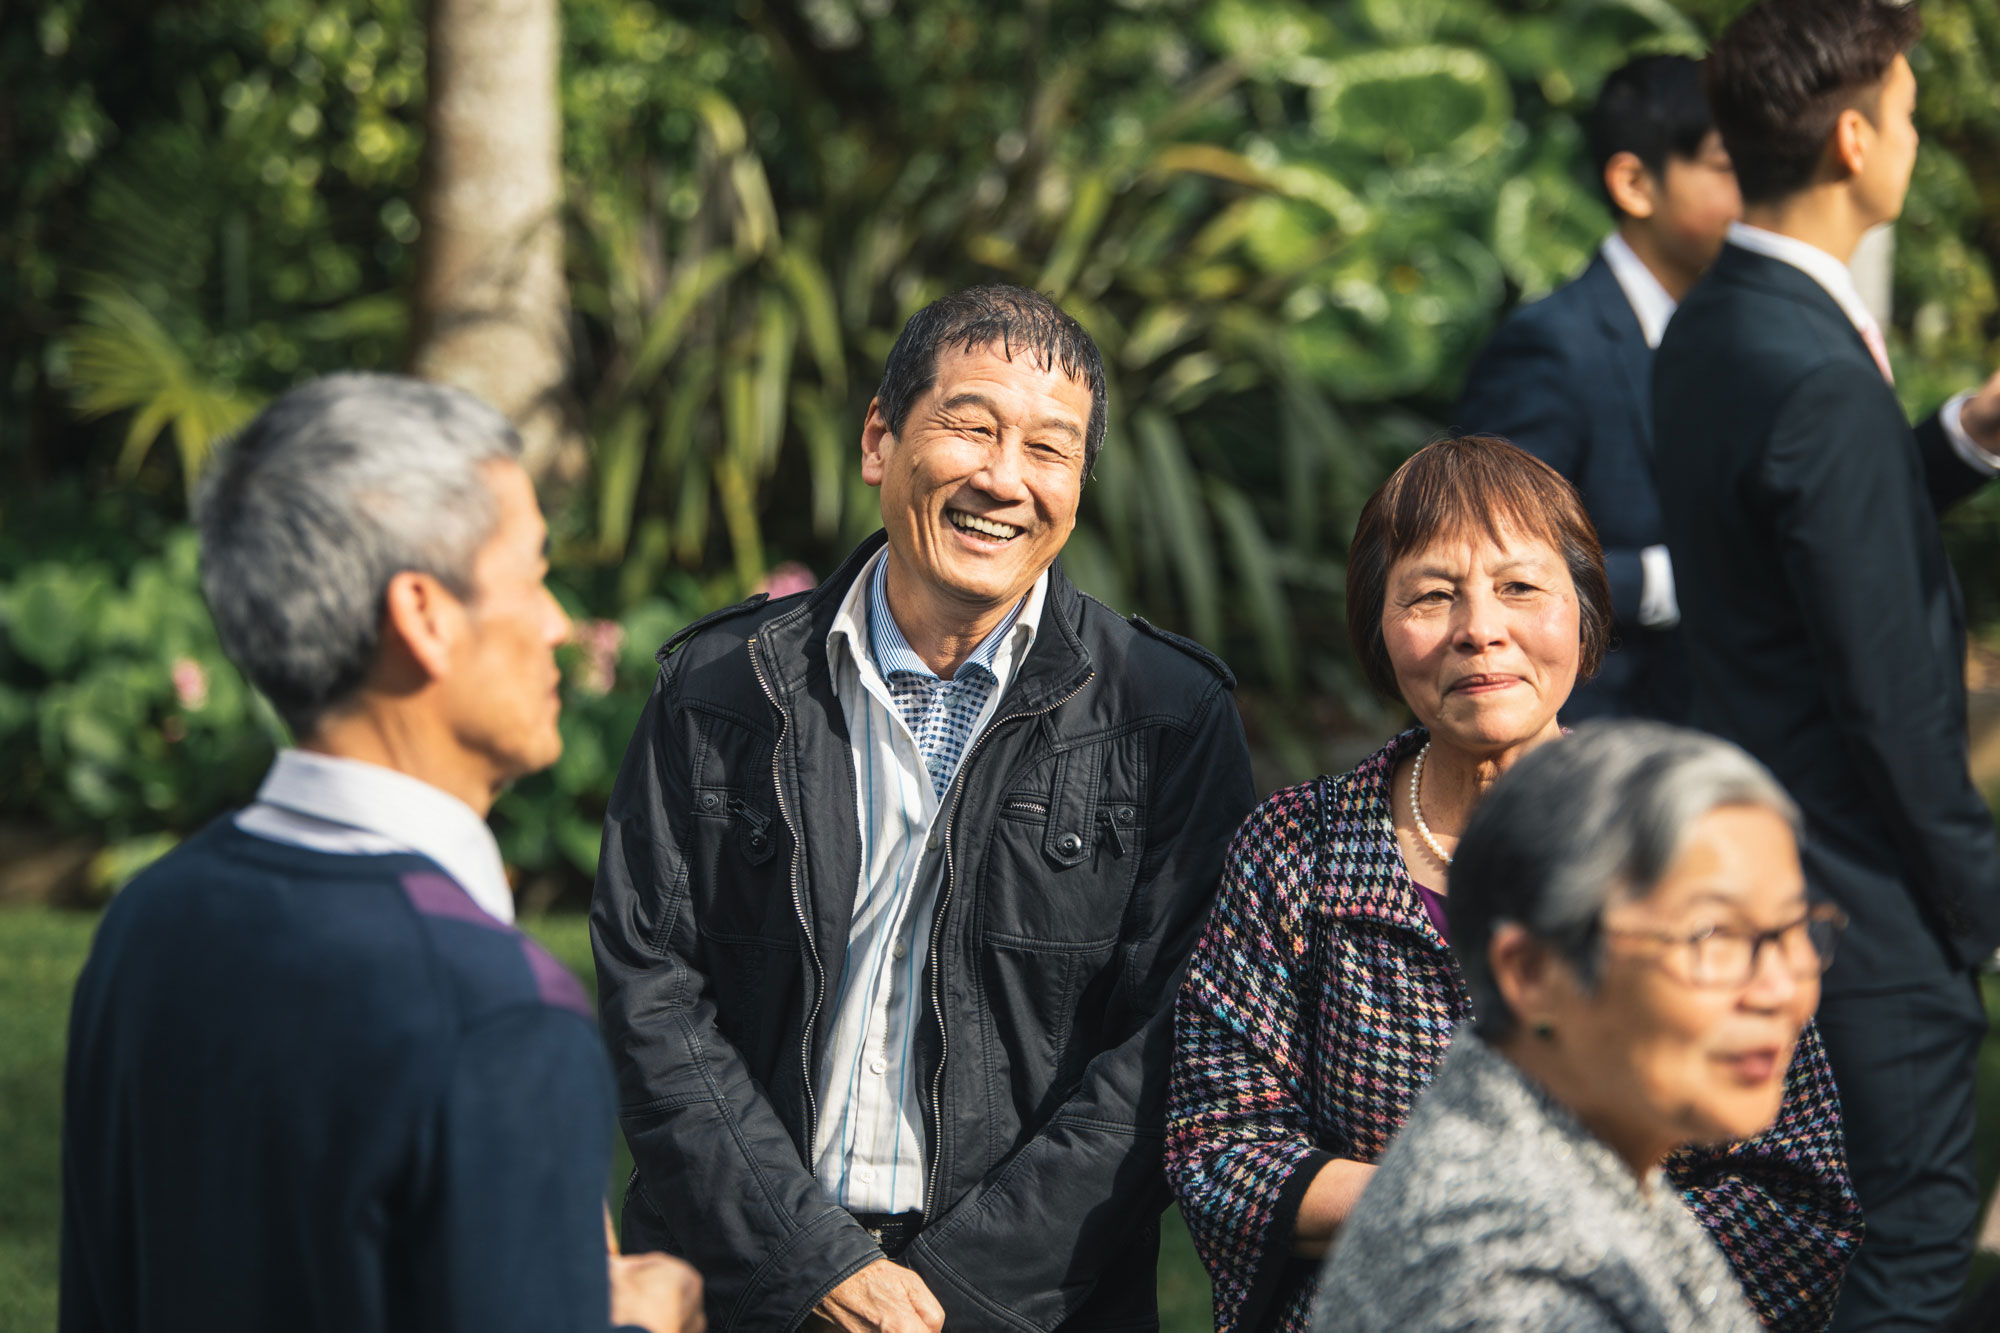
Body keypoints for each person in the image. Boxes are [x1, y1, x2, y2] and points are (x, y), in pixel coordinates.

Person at [591, 284, 1258, 1332]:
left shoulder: (1164, 715)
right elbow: (651, 992)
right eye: (970, 426)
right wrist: (810, 1262)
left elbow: (1167, 1041)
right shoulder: (724, 687)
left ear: (1078, 483)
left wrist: (951, 1299)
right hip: (743, 1285)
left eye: (1048, 448)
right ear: (878, 439)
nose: (1003, 478)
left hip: (1025, 1307)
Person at [1166, 435, 1859, 1333]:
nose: (1479, 628)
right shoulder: (1298, 846)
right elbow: (1221, 1149)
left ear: (1585, 610)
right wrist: (1476, 1229)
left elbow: (1794, 1196)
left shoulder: (1682, 846)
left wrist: (1558, 1272)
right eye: (1431, 595)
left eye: (1521, 587)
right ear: (1380, 626)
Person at [59, 375, 703, 1332]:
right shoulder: (499, 1021)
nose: (557, 622)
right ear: (424, 614)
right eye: (532, 574)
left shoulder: (149, 917)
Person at [1653, 2, 2000, 1323]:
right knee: (1908, 1247)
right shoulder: (1807, 364)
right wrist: (1979, 901)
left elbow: (1804, 549)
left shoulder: (1719, 322)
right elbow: (1893, 697)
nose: (1913, 137)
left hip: (1764, 852)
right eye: (1910, 116)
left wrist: (1962, 435)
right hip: (1859, 887)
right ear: (1856, 140)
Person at [1311, 723, 1845, 1331]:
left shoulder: (1596, 1159)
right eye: (1713, 937)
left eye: (1794, 930)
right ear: (1533, 973)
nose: (1780, 991)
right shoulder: (1508, 1294)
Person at [1456, 53, 1740, 724]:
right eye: (1732, 169)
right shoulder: (1553, 345)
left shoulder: (1729, 336)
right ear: (1635, 183)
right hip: (1584, 743)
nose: (1761, 195)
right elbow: (1492, 562)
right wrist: (1677, 579)